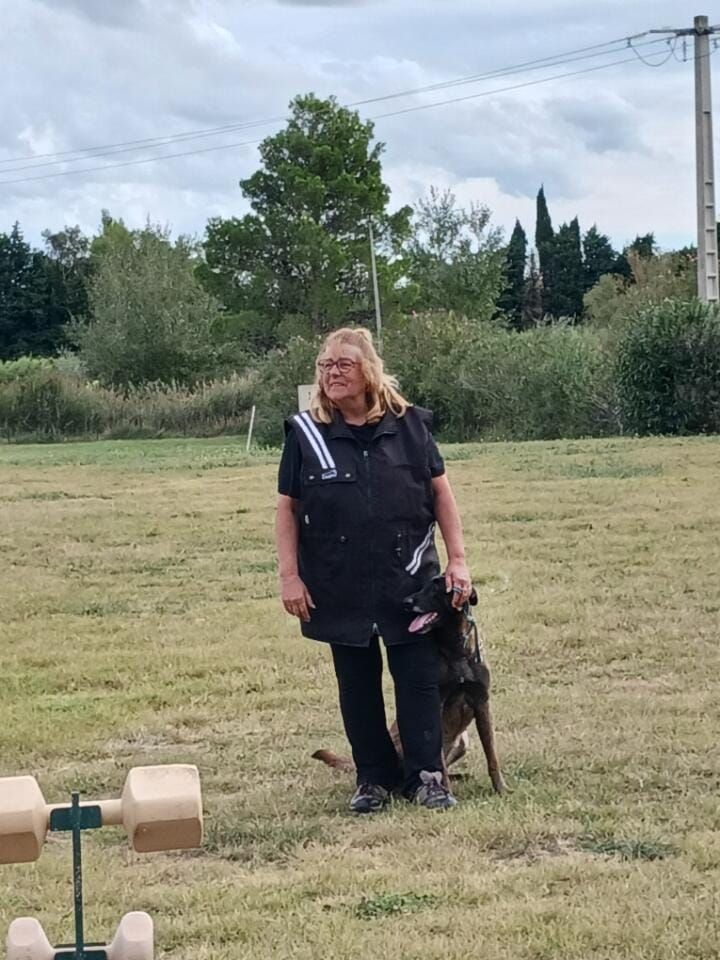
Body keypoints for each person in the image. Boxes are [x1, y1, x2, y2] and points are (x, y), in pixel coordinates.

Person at [275, 327, 472, 813]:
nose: (331, 373)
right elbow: (286, 508)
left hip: (407, 578)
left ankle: (428, 776)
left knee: (418, 679)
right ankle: (373, 780)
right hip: (336, 580)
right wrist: (289, 575)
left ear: (368, 371)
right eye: (325, 365)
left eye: (343, 364)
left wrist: (459, 560)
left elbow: (441, 494)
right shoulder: (305, 433)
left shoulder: (411, 426)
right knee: (357, 685)